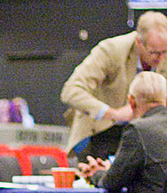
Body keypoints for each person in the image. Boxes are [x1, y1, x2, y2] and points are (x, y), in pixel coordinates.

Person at [61, 11, 167, 157]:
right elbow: (71, 91)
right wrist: (114, 113)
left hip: (144, 136)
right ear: (138, 42)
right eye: (154, 53)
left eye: (164, 52)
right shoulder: (111, 50)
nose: (160, 58)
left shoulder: (164, 54)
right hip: (100, 134)